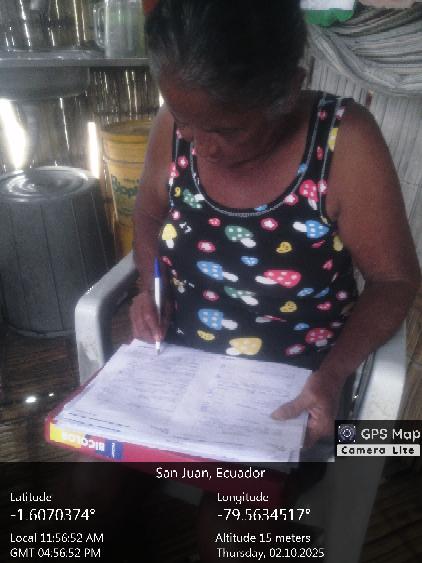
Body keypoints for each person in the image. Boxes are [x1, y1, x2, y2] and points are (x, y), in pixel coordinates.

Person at [130, 0, 420, 449]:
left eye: (227, 131)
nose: (200, 147)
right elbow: (150, 214)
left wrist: (332, 377)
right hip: (179, 373)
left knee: (236, 499)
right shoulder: (173, 126)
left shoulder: (344, 143)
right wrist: (149, 290)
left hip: (296, 393)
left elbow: (394, 279)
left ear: (287, 91)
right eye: (185, 122)